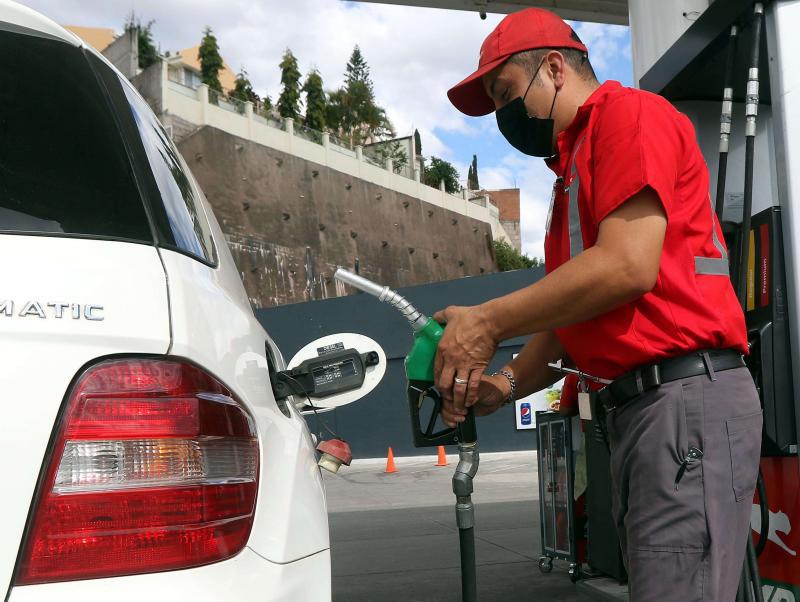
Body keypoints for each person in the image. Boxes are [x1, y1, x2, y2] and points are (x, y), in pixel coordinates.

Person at [435, 8, 762, 601]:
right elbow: (571, 316)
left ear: (555, 68)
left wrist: (485, 322)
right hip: (650, 409)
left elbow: (627, 264)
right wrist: (502, 386)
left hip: (682, 400)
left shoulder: (626, 117)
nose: (506, 118)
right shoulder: (571, 174)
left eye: (507, 94)